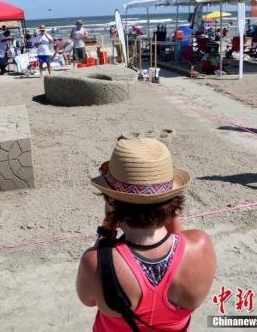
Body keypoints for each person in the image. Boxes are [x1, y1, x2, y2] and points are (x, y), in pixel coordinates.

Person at [77, 137, 216, 332]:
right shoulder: (201, 246)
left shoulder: (96, 263)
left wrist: (107, 226)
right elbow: (179, 237)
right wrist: (167, 207)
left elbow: (88, 300)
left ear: (111, 202)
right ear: (171, 199)